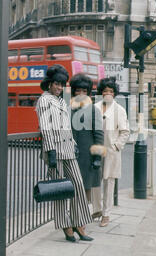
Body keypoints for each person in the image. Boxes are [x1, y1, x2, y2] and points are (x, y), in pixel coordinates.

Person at [36, 65, 93, 242]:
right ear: (49, 84)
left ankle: (79, 222)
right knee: (60, 190)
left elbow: (66, 125)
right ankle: (66, 226)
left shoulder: (61, 100)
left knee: (77, 185)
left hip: (68, 149)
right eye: (57, 84)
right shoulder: (44, 100)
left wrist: (74, 144)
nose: (60, 88)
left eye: (62, 84)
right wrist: (51, 151)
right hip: (54, 150)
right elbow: (46, 127)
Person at [92, 77, 130, 227]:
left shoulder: (119, 110)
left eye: (111, 91)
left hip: (111, 151)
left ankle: (106, 215)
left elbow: (125, 131)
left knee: (109, 183)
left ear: (114, 94)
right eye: (105, 91)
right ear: (101, 92)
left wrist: (116, 146)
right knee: (95, 182)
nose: (108, 94)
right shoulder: (95, 107)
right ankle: (97, 210)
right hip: (96, 150)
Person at [70, 74, 106, 206]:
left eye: (84, 91)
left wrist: (97, 158)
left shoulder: (93, 110)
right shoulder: (69, 108)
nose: (81, 94)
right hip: (71, 155)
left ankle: (81, 222)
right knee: (72, 189)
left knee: (85, 189)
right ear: (73, 91)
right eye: (78, 90)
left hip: (87, 156)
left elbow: (99, 135)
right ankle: (75, 219)